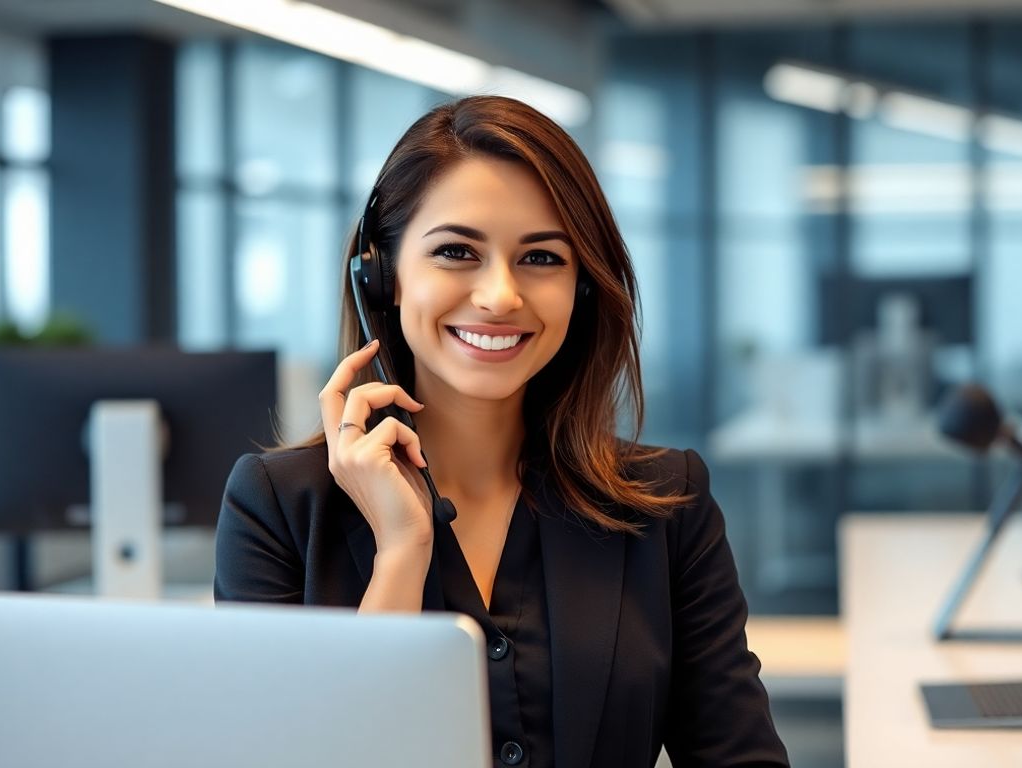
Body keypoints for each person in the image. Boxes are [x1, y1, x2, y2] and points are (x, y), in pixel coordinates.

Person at [215, 95, 789, 768]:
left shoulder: (666, 504)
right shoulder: (278, 508)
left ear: (581, 286)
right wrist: (402, 553)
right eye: (456, 251)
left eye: (541, 258)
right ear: (383, 277)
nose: (499, 297)